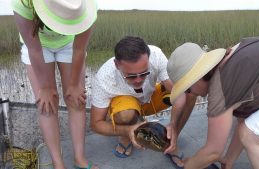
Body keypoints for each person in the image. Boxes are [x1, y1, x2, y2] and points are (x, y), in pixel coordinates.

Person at [166, 33, 259, 169]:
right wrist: (229, 159)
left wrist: (188, 166)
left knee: (251, 136)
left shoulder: (221, 86)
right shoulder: (233, 57)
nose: (191, 94)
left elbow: (213, 151)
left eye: (188, 89)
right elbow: (245, 120)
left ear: (195, 78)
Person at [11, 0, 98, 169]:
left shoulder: (88, 6)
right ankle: (58, 163)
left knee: (77, 100)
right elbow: (34, 50)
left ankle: (79, 158)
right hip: (38, 46)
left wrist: (73, 85)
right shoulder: (23, 2)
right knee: (47, 104)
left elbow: (79, 49)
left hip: (69, 44)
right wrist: (45, 87)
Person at [90, 36, 199, 169]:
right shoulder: (104, 78)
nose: (138, 80)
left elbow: (179, 93)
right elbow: (96, 124)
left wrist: (173, 125)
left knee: (190, 93)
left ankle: (170, 141)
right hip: (127, 104)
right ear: (117, 64)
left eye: (144, 73)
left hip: (150, 99)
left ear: (148, 59)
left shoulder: (156, 55)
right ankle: (126, 134)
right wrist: (127, 130)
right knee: (125, 115)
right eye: (130, 76)